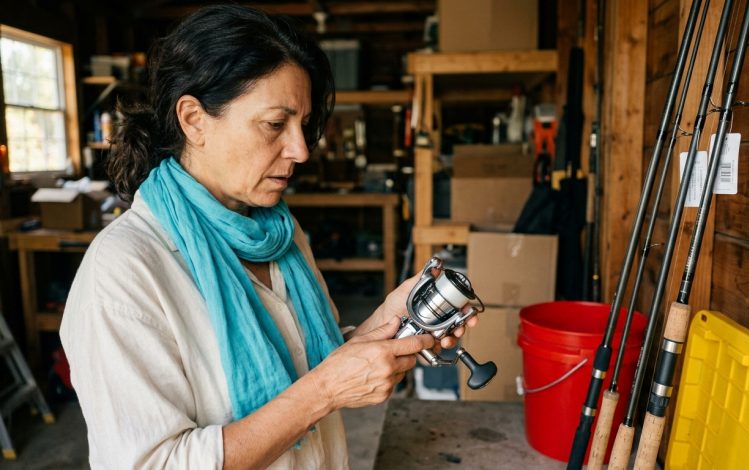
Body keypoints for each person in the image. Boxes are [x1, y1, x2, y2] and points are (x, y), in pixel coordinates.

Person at [60, 5, 477, 470]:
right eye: (275, 124)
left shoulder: (282, 233)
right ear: (194, 119)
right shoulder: (124, 270)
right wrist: (325, 391)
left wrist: (387, 326)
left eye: (302, 125)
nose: (299, 150)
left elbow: (304, 360)